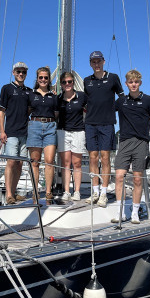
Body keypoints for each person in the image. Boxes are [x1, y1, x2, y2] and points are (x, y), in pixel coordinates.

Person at [112, 69, 150, 224]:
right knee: (119, 176)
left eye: (136, 82)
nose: (133, 84)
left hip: (141, 142)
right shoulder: (121, 101)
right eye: (130, 82)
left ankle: (134, 213)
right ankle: (120, 212)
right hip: (124, 142)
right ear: (127, 84)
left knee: (137, 179)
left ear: (140, 83)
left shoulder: (149, 100)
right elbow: (105, 110)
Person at [83, 50, 123, 207]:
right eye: (93, 61)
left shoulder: (113, 78)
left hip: (107, 123)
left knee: (105, 157)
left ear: (104, 61)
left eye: (99, 61)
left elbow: (121, 98)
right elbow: (84, 101)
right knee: (93, 157)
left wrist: (114, 110)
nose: (96, 64)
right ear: (90, 64)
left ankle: (104, 193)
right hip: (90, 123)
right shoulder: (87, 81)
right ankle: (95, 191)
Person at [0, 62, 32, 205]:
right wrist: (2, 131)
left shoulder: (29, 91)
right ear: (13, 72)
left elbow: (30, 110)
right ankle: (9, 194)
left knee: (19, 164)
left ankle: (15, 191)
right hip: (11, 132)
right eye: (18, 71)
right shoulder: (6, 89)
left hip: (24, 132)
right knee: (11, 162)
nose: (21, 74)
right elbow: (1, 111)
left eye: (23, 72)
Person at [27, 66, 59, 204]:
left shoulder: (54, 96)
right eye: (41, 77)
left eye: (46, 77)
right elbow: (27, 111)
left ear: (49, 79)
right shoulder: (31, 95)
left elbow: (56, 113)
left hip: (50, 126)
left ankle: (48, 192)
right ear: (37, 79)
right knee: (35, 162)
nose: (43, 80)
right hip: (34, 126)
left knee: (49, 160)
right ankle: (35, 192)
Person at [57, 71, 87, 202]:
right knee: (66, 163)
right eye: (64, 82)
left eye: (69, 81)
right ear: (61, 84)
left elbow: (90, 110)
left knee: (77, 163)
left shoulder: (82, 96)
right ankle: (66, 191)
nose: (67, 84)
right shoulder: (58, 99)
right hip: (63, 132)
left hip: (78, 132)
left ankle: (77, 191)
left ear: (73, 82)